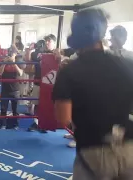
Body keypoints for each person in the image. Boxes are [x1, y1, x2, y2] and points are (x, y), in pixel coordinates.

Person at [53, 8, 133, 179]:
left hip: (94, 151)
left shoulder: (70, 71)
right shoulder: (128, 64)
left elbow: (63, 118)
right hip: (129, 145)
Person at [27, 35, 57, 132]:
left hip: (51, 84)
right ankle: (36, 122)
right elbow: (29, 59)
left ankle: (46, 123)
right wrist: (30, 49)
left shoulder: (58, 54)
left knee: (49, 104)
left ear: (54, 42)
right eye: (46, 41)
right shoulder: (39, 53)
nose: (47, 42)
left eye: (49, 41)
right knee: (36, 104)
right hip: (38, 81)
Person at [0, 50, 24, 129]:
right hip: (5, 89)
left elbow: (20, 73)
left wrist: (14, 63)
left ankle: (15, 124)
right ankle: (3, 124)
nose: (11, 56)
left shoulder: (19, 62)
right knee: (3, 108)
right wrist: (4, 63)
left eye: (13, 54)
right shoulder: (3, 61)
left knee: (15, 109)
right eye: (10, 54)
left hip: (15, 89)